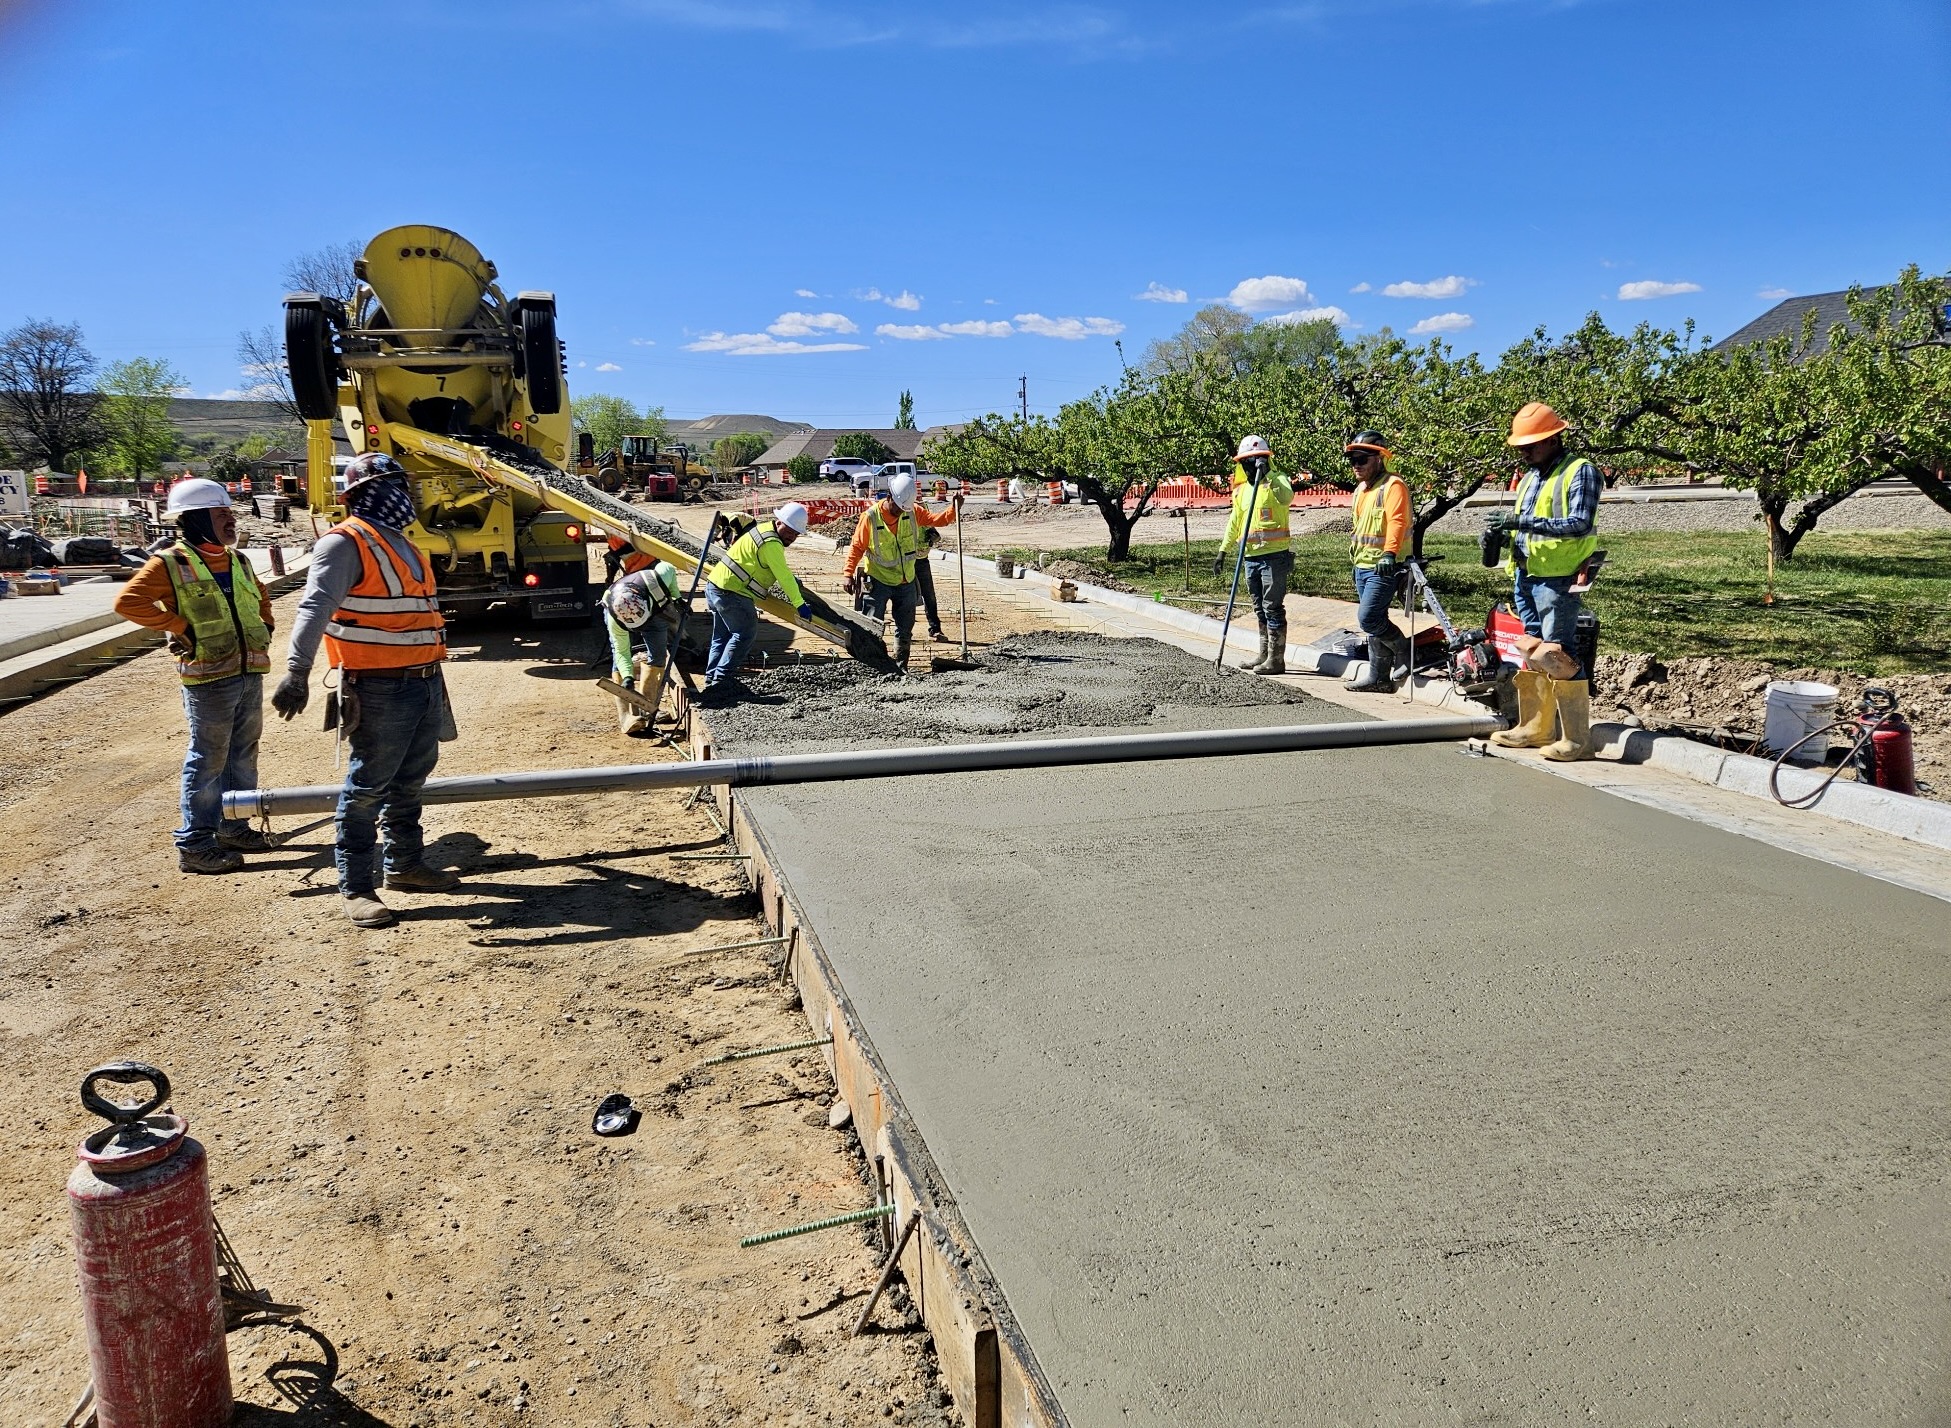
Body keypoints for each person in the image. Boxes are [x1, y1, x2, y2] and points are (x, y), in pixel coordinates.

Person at [269, 452, 458, 928]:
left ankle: (404, 865)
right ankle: (355, 887)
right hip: (378, 687)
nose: (406, 494)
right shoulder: (344, 542)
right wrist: (297, 671)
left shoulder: (404, 543)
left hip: (423, 680)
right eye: (396, 485)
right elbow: (314, 606)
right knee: (367, 787)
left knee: (409, 780)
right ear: (367, 492)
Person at [114, 477, 275, 874]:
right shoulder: (170, 563)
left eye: (230, 513)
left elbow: (261, 596)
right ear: (196, 519)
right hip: (208, 679)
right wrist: (178, 626)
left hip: (248, 671)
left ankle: (233, 826)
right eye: (220, 515)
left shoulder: (238, 560)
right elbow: (128, 601)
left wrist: (266, 625)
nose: (230, 520)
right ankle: (195, 844)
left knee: (243, 753)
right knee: (208, 760)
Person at [1486, 402, 1600, 761]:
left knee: (1557, 654)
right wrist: (1501, 536)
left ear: (1553, 439)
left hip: (1558, 578)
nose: (1524, 452)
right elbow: (1525, 527)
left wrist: (1519, 523)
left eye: (1531, 445)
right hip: (1527, 574)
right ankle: (1536, 728)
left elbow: (1579, 523)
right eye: (1521, 446)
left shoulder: (1580, 471)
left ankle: (1578, 740)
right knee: (1532, 649)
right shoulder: (1531, 477)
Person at [843, 474, 961, 668]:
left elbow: (937, 520)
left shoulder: (912, 511)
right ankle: (873, 666)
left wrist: (953, 509)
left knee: (905, 628)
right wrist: (848, 574)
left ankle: (900, 666)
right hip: (878, 580)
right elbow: (857, 547)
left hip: (906, 581)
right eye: (898, 508)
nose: (900, 513)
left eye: (903, 509)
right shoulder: (870, 517)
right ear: (889, 497)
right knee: (871, 626)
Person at [702, 500, 813, 700]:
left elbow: (772, 568)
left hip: (715, 586)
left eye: (796, 534)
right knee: (744, 633)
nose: (792, 536)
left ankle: (712, 680)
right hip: (732, 591)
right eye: (790, 531)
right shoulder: (772, 543)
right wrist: (799, 604)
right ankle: (722, 680)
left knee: (722, 636)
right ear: (779, 522)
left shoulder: (762, 530)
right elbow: (784, 576)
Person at [1212, 435, 1293, 674]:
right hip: (1249, 557)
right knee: (1259, 608)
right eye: (1245, 462)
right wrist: (1223, 550)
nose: (1249, 466)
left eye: (1254, 461)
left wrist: (1268, 474)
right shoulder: (1241, 491)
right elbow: (1235, 521)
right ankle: (1264, 654)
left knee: (1272, 607)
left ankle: (1276, 660)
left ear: (1264, 459)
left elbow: (1287, 497)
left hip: (1274, 556)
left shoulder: (1278, 480)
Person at [1342, 430, 1413, 693]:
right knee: (1375, 621)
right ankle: (1378, 678)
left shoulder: (1393, 486)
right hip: (1362, 564)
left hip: (1383, 566)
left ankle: (1404, 649)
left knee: (1369, 618)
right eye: (1353, 460)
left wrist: (1389, 553)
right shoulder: (1361, 490)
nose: (1356, 465)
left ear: (1379, 459)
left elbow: (1397, 522)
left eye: (1362, 459)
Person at [604, 558, 683, 734]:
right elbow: (622, 651)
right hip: (625, 610)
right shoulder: (615, 618)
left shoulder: (657, 581)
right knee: (619, 659)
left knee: (659, 655)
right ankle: (627, 717)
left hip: (654, 613)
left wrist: (677, 597)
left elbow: (668, 567)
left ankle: (648, 707)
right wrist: (628, 677)